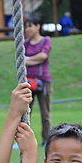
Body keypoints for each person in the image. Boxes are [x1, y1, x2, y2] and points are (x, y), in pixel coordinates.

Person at [24, 14, 52, 145]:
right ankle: (23, 140)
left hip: (43, 81)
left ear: (37, 26)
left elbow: (43, 56)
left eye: (30, 26)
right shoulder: (25, 43)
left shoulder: (46, 40)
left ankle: (46, 140)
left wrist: (28, 60)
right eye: (26, 26)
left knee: (45, 113)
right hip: (28, 82)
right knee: (25, 113)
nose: (27, 29)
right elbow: (20, 59)